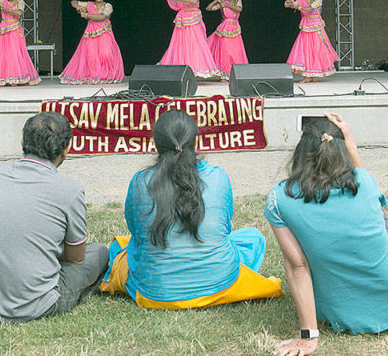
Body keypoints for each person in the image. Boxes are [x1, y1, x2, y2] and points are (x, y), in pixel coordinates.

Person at [265, 113, 388, 355]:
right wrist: (351, 143)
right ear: (341, 150)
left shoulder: (279, 198)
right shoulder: (364, 180)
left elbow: (298, 267)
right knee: (381, 217)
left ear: (301, 152)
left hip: (339, 312)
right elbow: (369, 189)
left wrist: (308, 336)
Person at [99, 110, 282, 309]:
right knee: (253, 238)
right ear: (194, 142)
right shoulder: (218, 176)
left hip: (156, 291)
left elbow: (136, 232)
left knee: (118, 249)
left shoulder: (140, 181)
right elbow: (226, 229)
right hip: (218, 283)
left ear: (156, 144)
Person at [0, 113, 109, 322]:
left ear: (22, 142)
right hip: (31, 305)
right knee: (99, 253)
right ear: (67, 150)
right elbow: (76, 257)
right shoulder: (69, 190)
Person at [157, 0, 221, 79]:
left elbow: (194, 1)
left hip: (194, 17)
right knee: (180, 44)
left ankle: (196, 70)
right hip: (182, 18)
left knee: (196, 44)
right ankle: (182, 70)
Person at [59, 0, 125, 84]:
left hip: (104, 32)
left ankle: (106, 76)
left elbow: (102, 17)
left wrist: (86, 15)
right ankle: (93, 76)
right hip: (90, 32)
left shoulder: (108, 6)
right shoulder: (89, 4)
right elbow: (73, 2)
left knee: (106, 53)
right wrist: (79, 7)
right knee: (91, 55)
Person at [285, 0, 340, 83]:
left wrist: (299, 7)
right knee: (305, 51)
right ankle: (307, 76)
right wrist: (290, 2)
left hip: (316, 28)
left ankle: (312, 76)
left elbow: (310, 8)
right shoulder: (302, 0)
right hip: (306, 28)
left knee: (315, 51)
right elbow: (290, 5)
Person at [205, 0, 248, 79]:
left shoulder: (238, 2)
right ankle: (224, 74)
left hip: (235, 29)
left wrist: (226, 5)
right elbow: (208, 8)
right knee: (225, 52)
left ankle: (236, 75)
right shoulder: (222, 4)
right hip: (224, 30)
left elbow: (239, 9)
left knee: (236, 53)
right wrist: (217, 0)